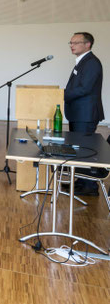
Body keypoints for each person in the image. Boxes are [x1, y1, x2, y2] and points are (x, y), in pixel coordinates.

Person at [64, 32, 105, 196]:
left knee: (85, 150)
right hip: (78, 113)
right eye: (71, 42)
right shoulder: (82, 62)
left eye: (76, 42)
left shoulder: (92, 63)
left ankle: (90, 186)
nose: (72, 45)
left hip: (85, 114)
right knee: (78, 150)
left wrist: (63, 95)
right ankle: (80, 183)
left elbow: (85, 88)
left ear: (87, 44)